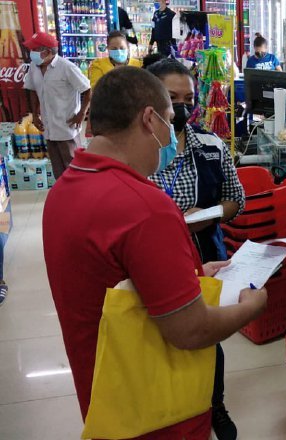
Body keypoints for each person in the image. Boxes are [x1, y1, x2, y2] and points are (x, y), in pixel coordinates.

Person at [43, 66, 267, 439]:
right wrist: (250, 308)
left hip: (106, 393)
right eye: (167, 119)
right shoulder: (145, 205)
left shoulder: (66, 187)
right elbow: (190, 331)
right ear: (149, 119)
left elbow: (120, 284)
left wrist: (193, 277)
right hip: (160, 408)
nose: (170, 134)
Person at [146, 58, 245, 440]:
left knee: (206, 334)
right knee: (159, 331)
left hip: (203, 249)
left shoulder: (210, 146)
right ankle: (168, 406)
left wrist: (209, 214)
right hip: (154, 256)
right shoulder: (140, 150)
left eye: (188, 98)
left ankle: (213, 403)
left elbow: (237, 200)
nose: (181, 107)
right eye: (172, 98)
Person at [23, 32, 91, 179]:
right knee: (58, 169)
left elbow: (87, 90)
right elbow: (32, 90)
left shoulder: (67, 68)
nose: (31, 54)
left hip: (66, 125)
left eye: (34, 50)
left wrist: (82, 114)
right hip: (48, 126)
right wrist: (35, 115)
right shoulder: (34, 67)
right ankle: (63, 194)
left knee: (73, 165)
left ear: (46, 52)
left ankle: (79, 195)